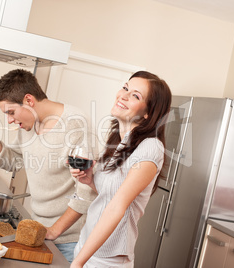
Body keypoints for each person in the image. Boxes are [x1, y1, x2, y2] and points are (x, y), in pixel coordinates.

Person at [0, 69, 97, 262]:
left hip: (68, 240)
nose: (9, 120)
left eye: (11, 112)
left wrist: (54, 231)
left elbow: (87, 191)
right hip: (38, 229)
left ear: (29, 101)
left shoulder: (76, 124)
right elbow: (15, 162)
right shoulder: (28, 125)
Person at [70, 71, 172, 267]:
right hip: (86, 246)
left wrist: (78, 263)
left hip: (106, 261)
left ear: (148, 113)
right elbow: (111, 196)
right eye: (125, 88)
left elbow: (118, 207)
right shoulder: (118, 140)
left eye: (135, 95)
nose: (123, 95)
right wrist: (91, 180)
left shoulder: (151, 147)